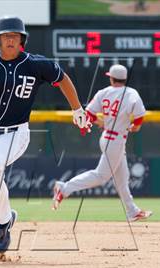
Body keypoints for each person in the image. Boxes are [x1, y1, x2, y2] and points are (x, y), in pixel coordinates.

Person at [0, 16, 91, 253]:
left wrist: (77, 108)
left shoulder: (35, 64)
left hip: (15, 133)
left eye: (15, 36)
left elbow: (63, 78)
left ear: (22, 40)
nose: (10, 40)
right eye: (6, 36)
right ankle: (5, 222)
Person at [52, 64, 152, 222]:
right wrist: (136, 127)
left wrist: (96, 121)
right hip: (116, 140)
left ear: (112, 78)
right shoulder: (131, 93)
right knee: (100, 176)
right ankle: (64, 188)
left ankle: (132, 210)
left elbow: (89, 113)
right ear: (125, 78)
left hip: (108, 138)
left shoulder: (103, 92)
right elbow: (139, 116)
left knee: (122, 178)